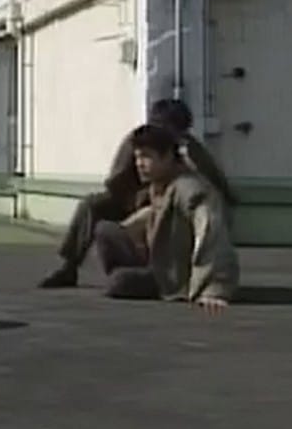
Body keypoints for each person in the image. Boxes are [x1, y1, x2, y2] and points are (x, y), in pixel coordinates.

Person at [38, 98, 235, 289]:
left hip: (175, 213)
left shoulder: (191, 151)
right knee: (91, 205)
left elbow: (216, 188)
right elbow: (115, 183)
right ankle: (68, 266)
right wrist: (141, 196)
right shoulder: (137, 141)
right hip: (134, 201)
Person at [94, 123, 239, 312]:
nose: (139, 164)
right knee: (106, 230)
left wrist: (214, 289)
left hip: (175, 275)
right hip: (159, 259)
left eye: (146, 156)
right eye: (137, 157)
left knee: (118, 281)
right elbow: (156, 213)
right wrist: (126, 230)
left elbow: (211, 229)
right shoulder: (161, 183)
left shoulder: (188, 188)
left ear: (168, 157)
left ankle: (147, 281)